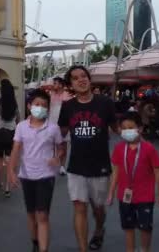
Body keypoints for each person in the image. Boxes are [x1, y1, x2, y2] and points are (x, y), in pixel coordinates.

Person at [58, 65, 118, 252]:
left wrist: (134, 139)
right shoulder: (67, 107)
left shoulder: (105, 103)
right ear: (71, 85)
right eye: (75, 78)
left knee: (98, 208)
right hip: (76, 167)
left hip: (100, 166)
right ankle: (83, 248)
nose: (81, 80)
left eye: (83, 76)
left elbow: (116, 128)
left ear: (89, 80)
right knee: (79, 207)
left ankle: (99, 228)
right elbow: (61, 133)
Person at [8, 89, 65, 252]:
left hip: (46, 176)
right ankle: (35, 242)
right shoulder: (21, 127)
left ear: (48, 108)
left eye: (44, 105)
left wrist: (57, 157)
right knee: (31, 214)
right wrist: (11, 172)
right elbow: (15, 149)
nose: (40, 108)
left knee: (42, 215)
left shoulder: (53, 128)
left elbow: (61, 148)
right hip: (26, 176)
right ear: (29, 106)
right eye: (37, 104)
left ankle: (43, 249)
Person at [107, 113, 159, 252]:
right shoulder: (119, 148)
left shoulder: (149, 148)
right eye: (124, 128)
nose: (127, 131)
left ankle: (144, 249)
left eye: (130, 127)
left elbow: (158, 171)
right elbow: (115, 171)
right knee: (128, 226)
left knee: (145, 227)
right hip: (124, 195)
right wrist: (111, 193)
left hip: (145, 195)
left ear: (139, 129)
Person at [0, 79, 20, 197]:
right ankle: (7, 188)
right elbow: (18, 119)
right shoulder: (14, 105)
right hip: (10, 133)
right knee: (9, 160)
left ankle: (0, 181)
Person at [49, 77, 72, 176]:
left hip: (64, 122)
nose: (54, 85)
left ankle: (62, 166)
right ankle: (55, 162)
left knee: (64, 144)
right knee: (54, 144)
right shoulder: (51, 95)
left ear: (61, 85)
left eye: (55, 83)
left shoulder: (67, 95)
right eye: (54, 83)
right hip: (52, 121)